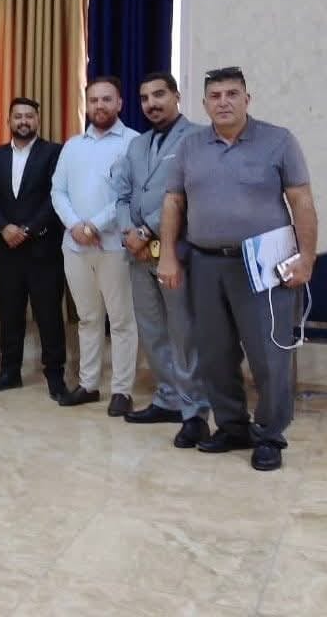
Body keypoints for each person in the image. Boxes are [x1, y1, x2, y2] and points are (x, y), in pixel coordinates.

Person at [158, 66, 317, 471]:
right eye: (215, 96)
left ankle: (270, 435)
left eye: (232, 94)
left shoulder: (278, 141)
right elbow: (173, 202)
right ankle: (232, 427)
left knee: (269, 355)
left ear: (248, 99)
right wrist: (167, 255)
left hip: (264, 266)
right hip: (205, 263)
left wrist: (307, 258)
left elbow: (301, 200)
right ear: (204, 103)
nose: (224, 102)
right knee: (215, 353)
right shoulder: (190, 147)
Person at [114, 73, 210, 448]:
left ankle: (194, 410)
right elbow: (122, 194)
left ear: (176, 96)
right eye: (144, 98)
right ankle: (168, 399)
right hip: (138, 255)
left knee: (183, 334)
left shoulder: (197, 138)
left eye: (159, 95)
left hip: (175, 251)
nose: (151, 103)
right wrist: (128, 232)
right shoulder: (137, 145)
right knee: (152, 331)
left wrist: (146, 230)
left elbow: (189, 193)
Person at [51, 76, 140, 416]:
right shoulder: (73, 145)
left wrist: (94, 225)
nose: (99, 106)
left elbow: (129, 194)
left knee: (121, 321)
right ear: (86, 105)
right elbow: (57, 190)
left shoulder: (133, 142)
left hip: (115, 246)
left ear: (119, 103)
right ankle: (88, 385)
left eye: (106, 99)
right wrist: (75, 225)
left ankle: (122, 391)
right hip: (74, 247)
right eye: (93, 100)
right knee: (87, 319)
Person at [0, 98, 67, 399]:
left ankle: (55, 375)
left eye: (29, 116)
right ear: (9, 121)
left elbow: (56, 196)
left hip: (43, 248)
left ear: (37, 120)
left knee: (49, 315)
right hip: (5, 249)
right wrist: (4, 227)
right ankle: (9, 372)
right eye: (18, 116)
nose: (23, 121)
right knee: (10, 313)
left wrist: (28, 229)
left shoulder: (54, 153)